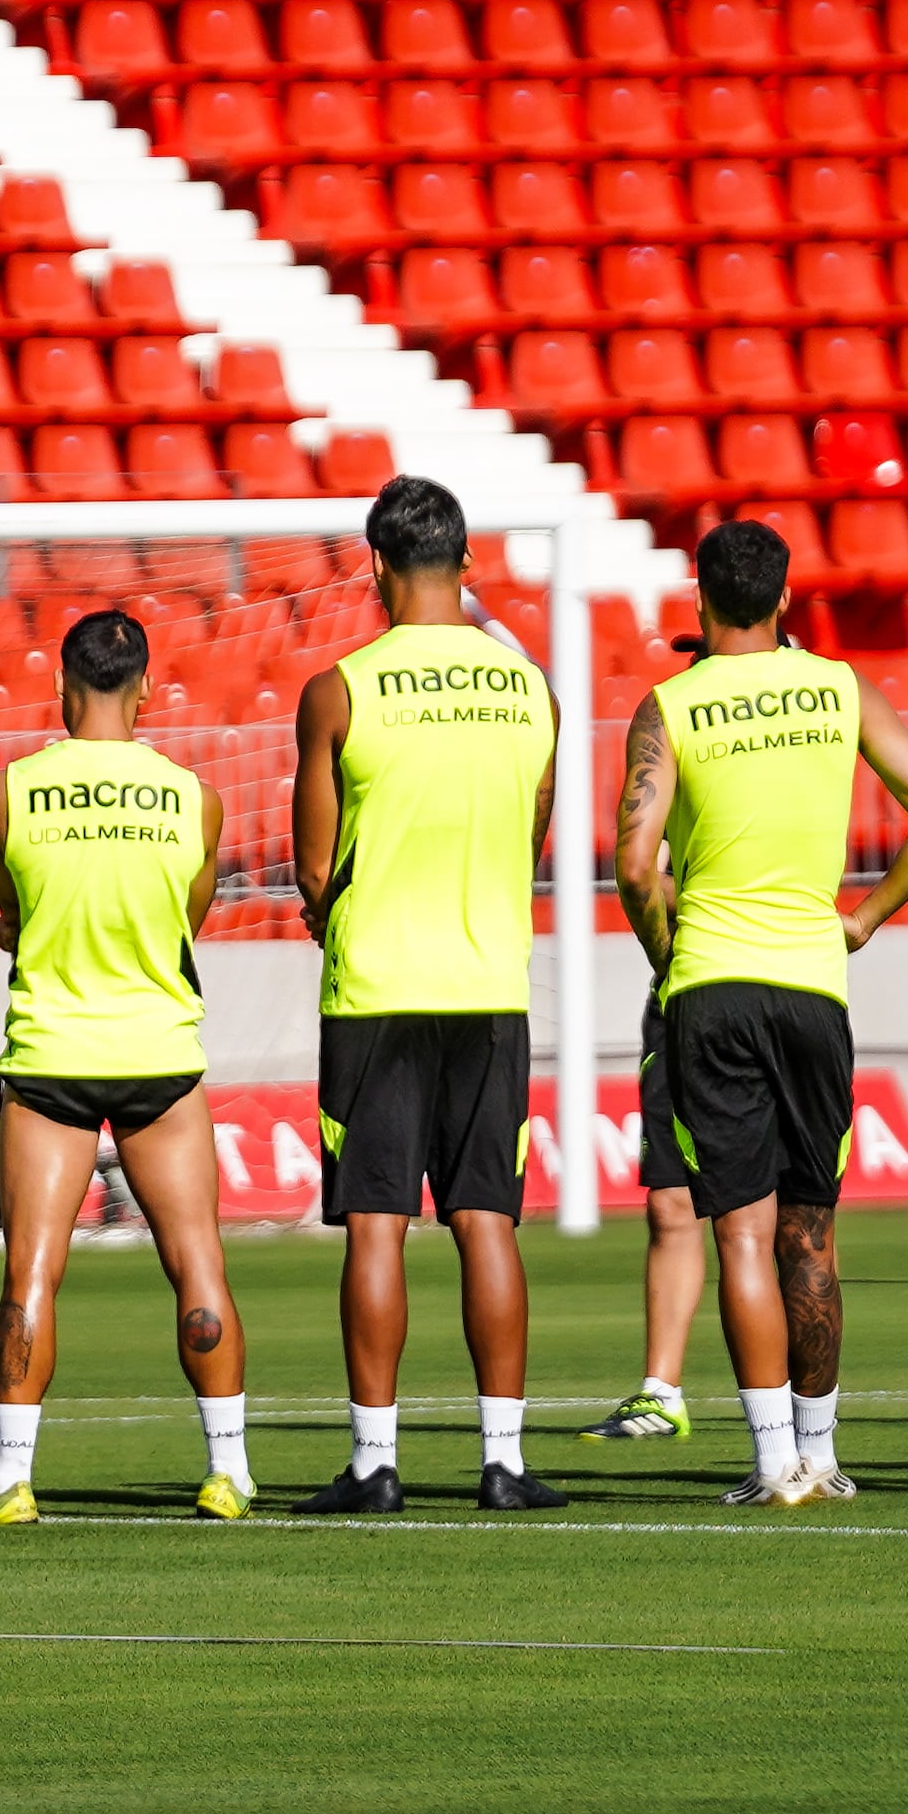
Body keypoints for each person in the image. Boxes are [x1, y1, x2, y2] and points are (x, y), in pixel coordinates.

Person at [613, 518, 908, 1508]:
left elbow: (635, 863)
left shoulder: (669, 704)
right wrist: (861, 918)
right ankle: (821, 1454)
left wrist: (667, 951)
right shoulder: (837, 687)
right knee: (809, 1234)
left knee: (736, 1232)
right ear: (782, 600)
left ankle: (771, 1464)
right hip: (812, 986)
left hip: (711, 987)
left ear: (697, 599)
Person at [288, 473, 564, 1515]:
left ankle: (374, 1463)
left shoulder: (341, 688)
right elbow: (532, 834)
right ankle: (502, 1461)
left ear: (373, 567)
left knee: (374, 1224)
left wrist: (339, 913)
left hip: (376, 990)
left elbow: (312, 869)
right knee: (486, 1218)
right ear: (468, 563)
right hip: (488, 983)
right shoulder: (527, 688)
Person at [0, 611, 249, 1526]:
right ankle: (227, 1471)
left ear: (63, 690)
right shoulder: (195, 797)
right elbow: (186, 919)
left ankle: (8, 1482)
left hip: (52, 1057)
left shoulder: (9, 792)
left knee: (33, 1272)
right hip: (159, 1051)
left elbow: (10, 909)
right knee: (198, 1264)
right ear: (146, 688)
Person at [583, 989, 707, 1441]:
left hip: (786, 984)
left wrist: (860, 924)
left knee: (794, 1217)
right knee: (671, 1203)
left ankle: (804, 1413)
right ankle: (661, 1393)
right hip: (683, 995)